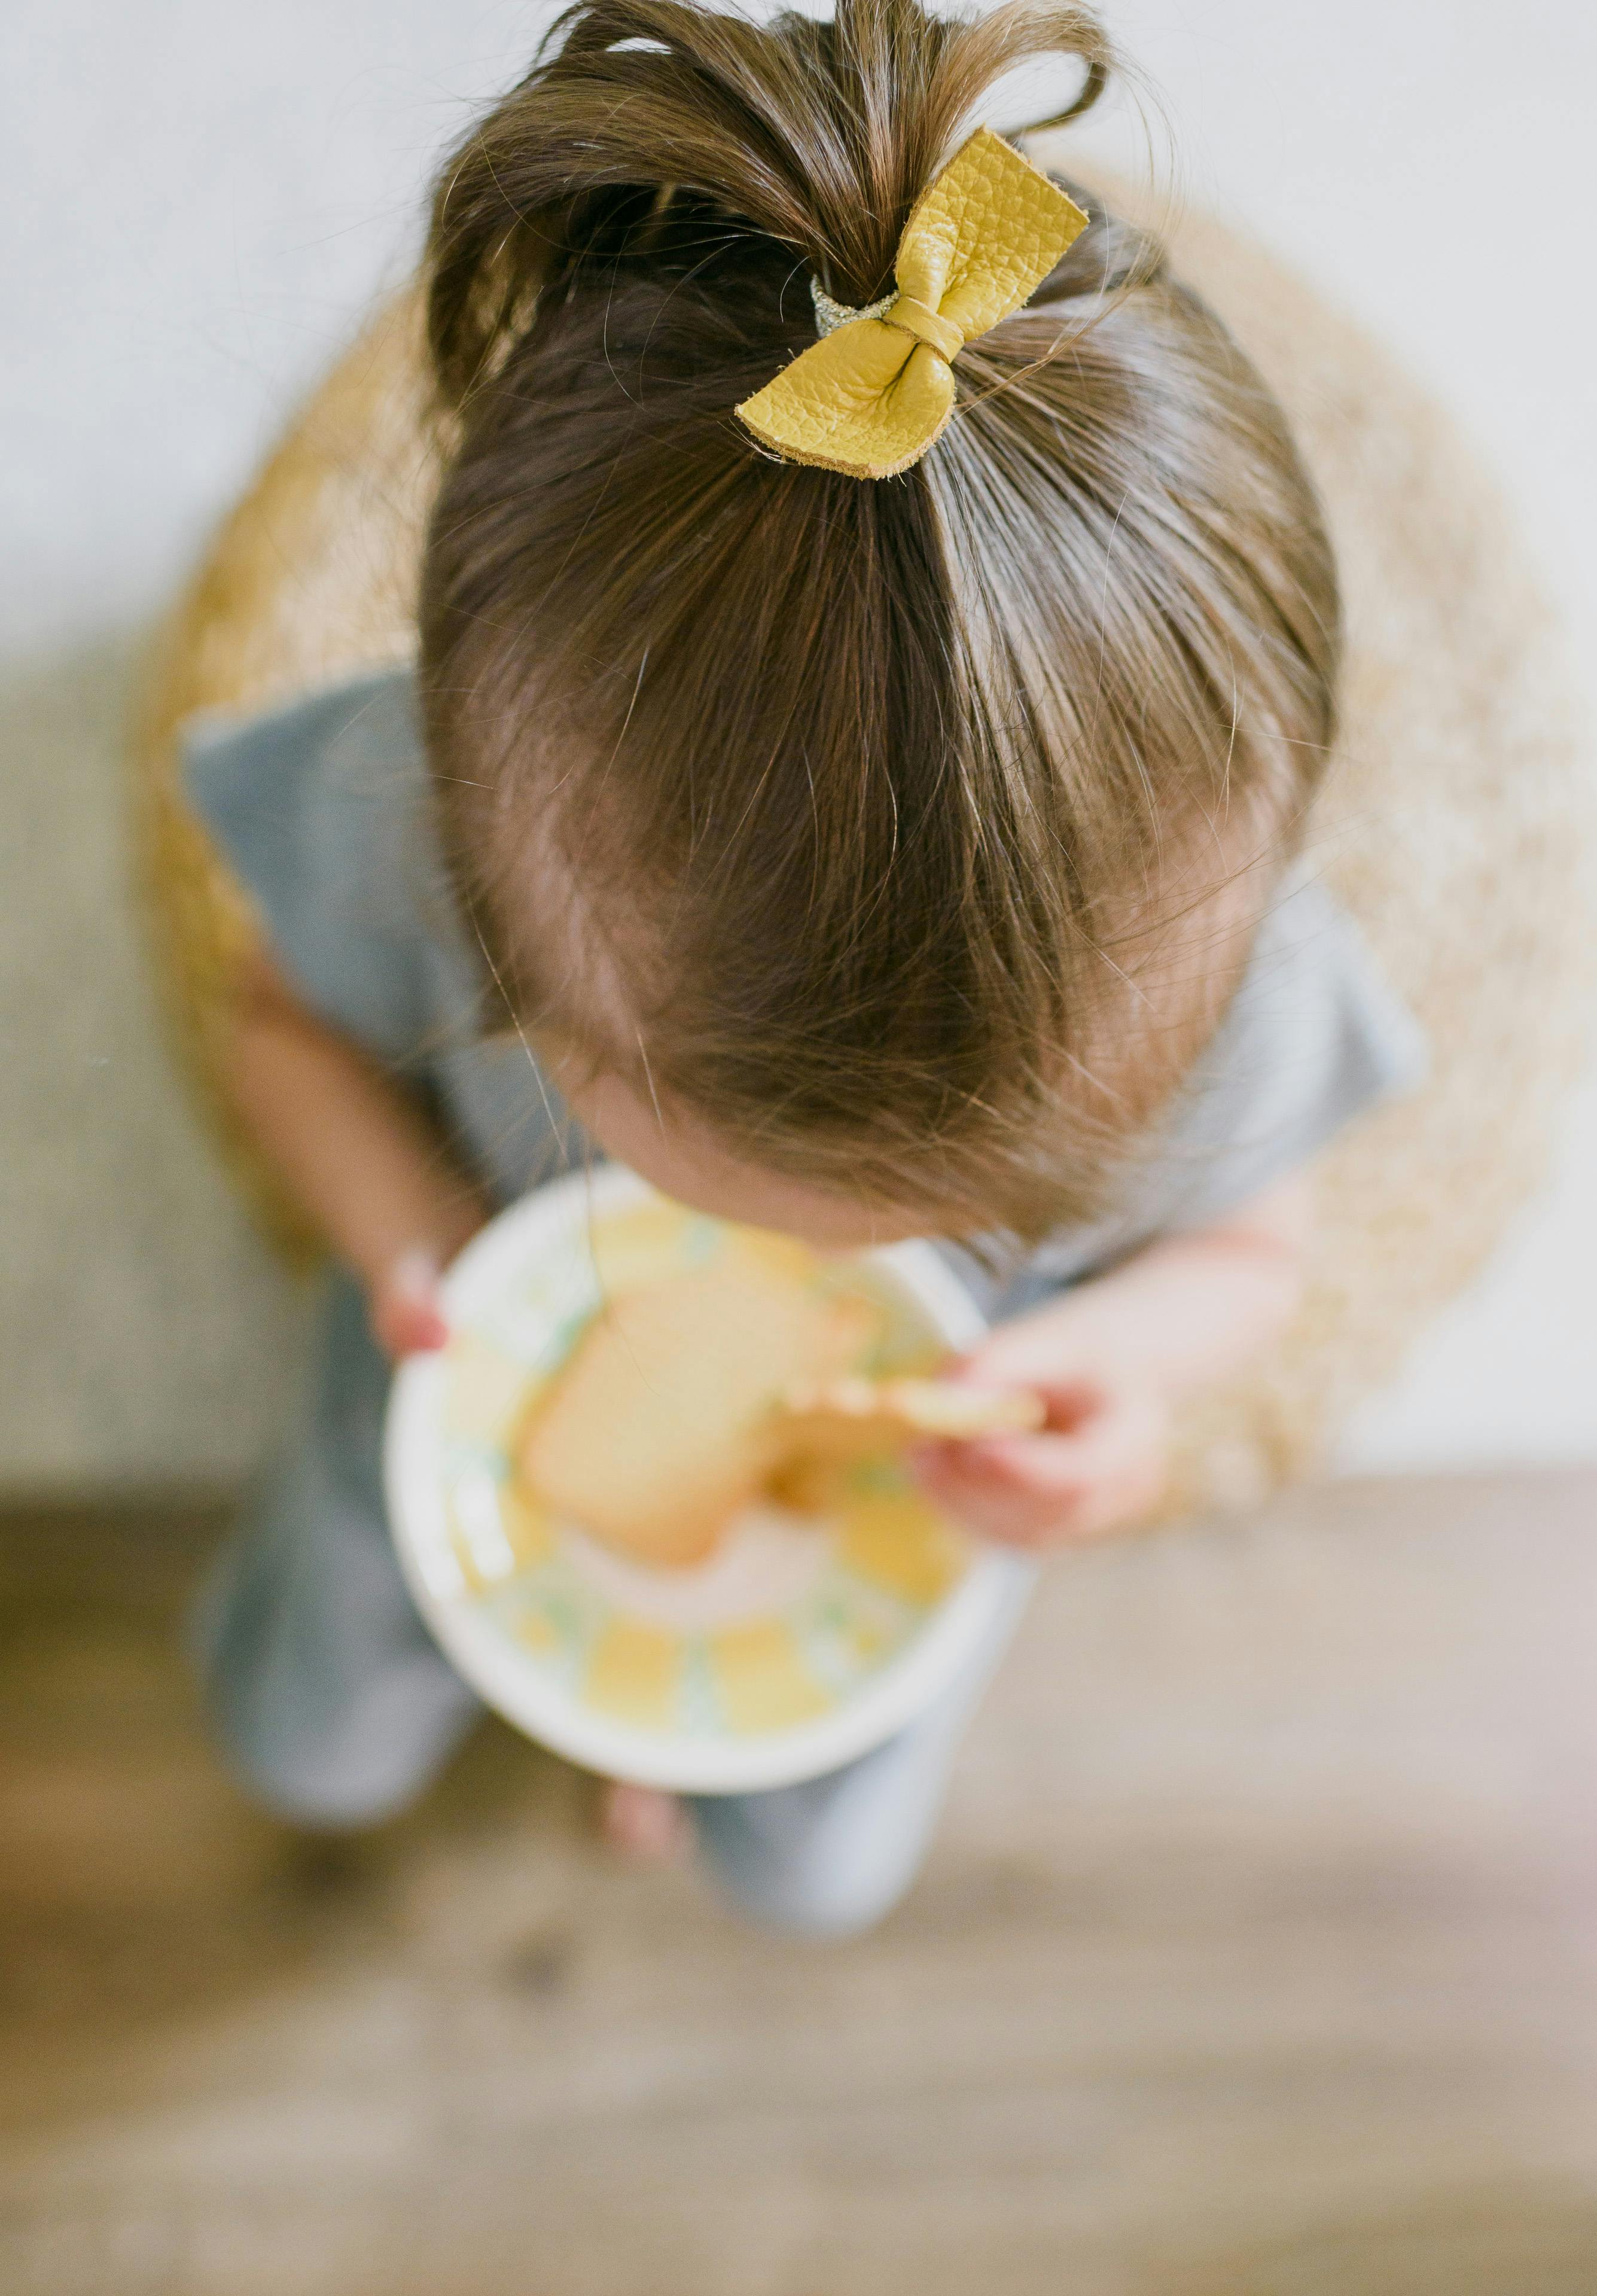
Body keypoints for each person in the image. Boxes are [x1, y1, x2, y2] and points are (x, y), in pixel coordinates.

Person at [181, 0, 1424, 1935]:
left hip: (902, 1509)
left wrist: (1102, 1380)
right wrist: (408, 1237)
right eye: (700, 1170)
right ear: (492, 929)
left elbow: (1253, 1255)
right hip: (455, 1365)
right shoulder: (418, 829)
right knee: (299, 1736)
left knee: (818, 1874)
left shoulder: (1228, 997)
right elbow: (273, 1027)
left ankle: (682, 1782)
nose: (812, 1263)